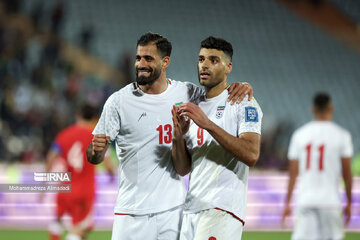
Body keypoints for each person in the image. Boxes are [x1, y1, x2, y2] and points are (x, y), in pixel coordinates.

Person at [86, 32, 253, 240]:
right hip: (130, 212)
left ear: (165, 62)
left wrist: (240, 86)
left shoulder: (187, 93)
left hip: (173, 212)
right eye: (138, 58)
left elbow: (217, 93)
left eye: (148, 58)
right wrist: (96, 150)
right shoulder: (118, 102)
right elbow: (94, 156)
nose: (141, 64)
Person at [171, 36, 262, 240]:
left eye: (213, 60)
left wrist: (208, 124)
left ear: (228, 67)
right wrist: (178, 137)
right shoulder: (194, 105)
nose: (204, 65)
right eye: (201, 59)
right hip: (192, 209)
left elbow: (252, 154)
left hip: (222, 208)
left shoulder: (243, 102)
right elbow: (182, 168)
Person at [282, 93, 353, 240]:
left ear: (313, 109)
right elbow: (347, 172)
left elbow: (293, 172)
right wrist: (349, 201)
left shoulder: (299, 135)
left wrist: (287, 202)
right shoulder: (342, 135)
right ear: (331, 108)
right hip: (330, 202)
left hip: (306, 200)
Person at [45, 103, 114, 240]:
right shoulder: (97, 137)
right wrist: (111, 174)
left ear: (78, 115)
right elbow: (108, 163)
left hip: (65, 187)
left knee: (57, 220)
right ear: (95, 118)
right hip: (85, 189)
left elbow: (51, 157)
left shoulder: (64, 135)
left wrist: (44, 182)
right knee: (80, 229)